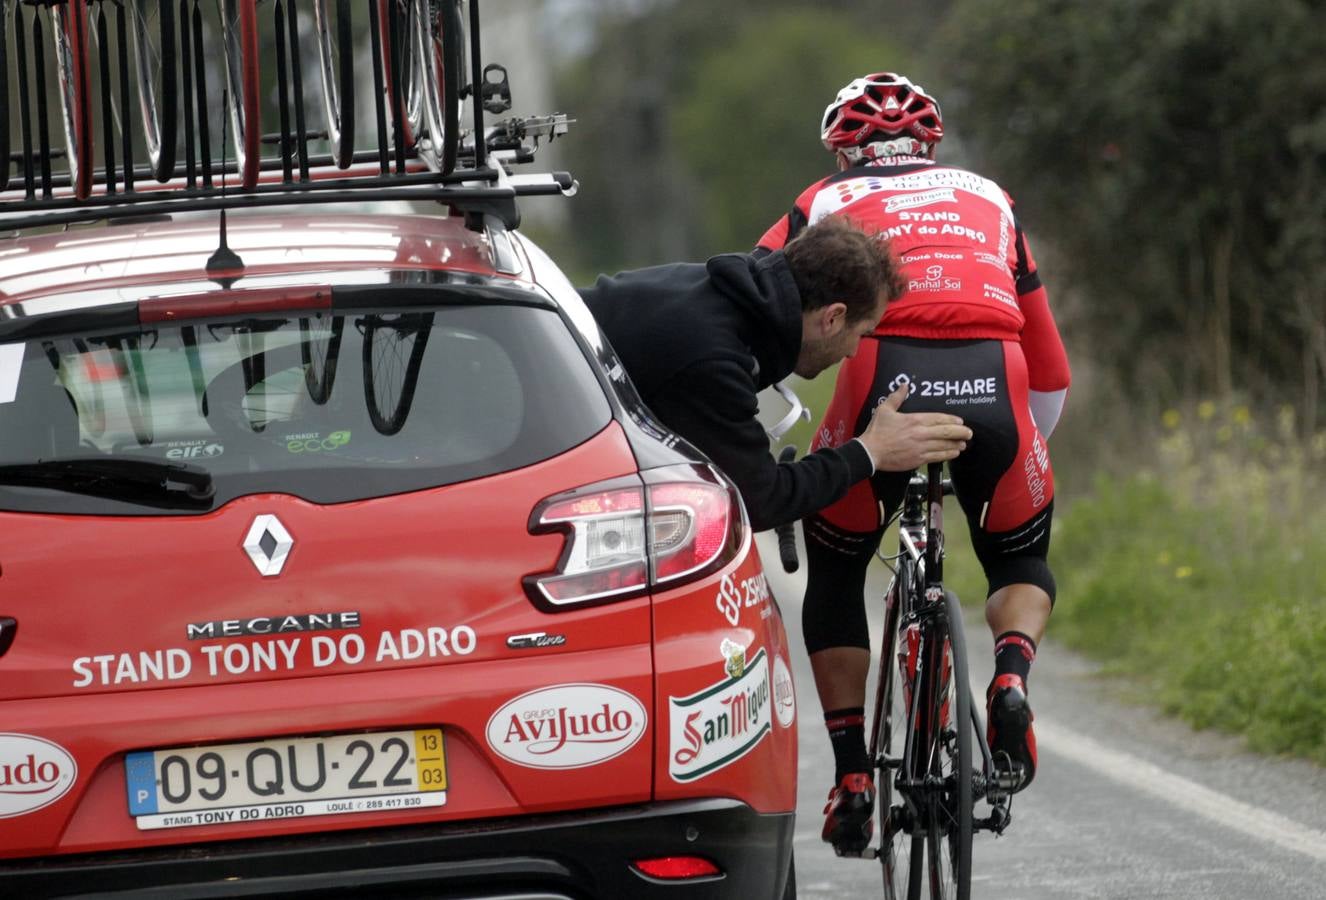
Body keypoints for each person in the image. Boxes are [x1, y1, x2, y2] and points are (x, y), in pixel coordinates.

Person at [754, 72, 1071, 853]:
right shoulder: (989, 195)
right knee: (1021, 558)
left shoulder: (821, 200)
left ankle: (854, 776)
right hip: (998, 380)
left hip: (880, 378)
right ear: (929, 144)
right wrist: (1025, 450)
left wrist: (769, 411)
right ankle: (1009, 676)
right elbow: (1052, 366)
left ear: (842, 148)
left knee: (832, 576)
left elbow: (747, 301)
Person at [579, 214, 973, 533]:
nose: (854, 351)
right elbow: (760, 502)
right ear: (833, 317)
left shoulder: (724, 295)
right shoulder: (715, 356)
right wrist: (871, 451)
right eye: (861, 333)